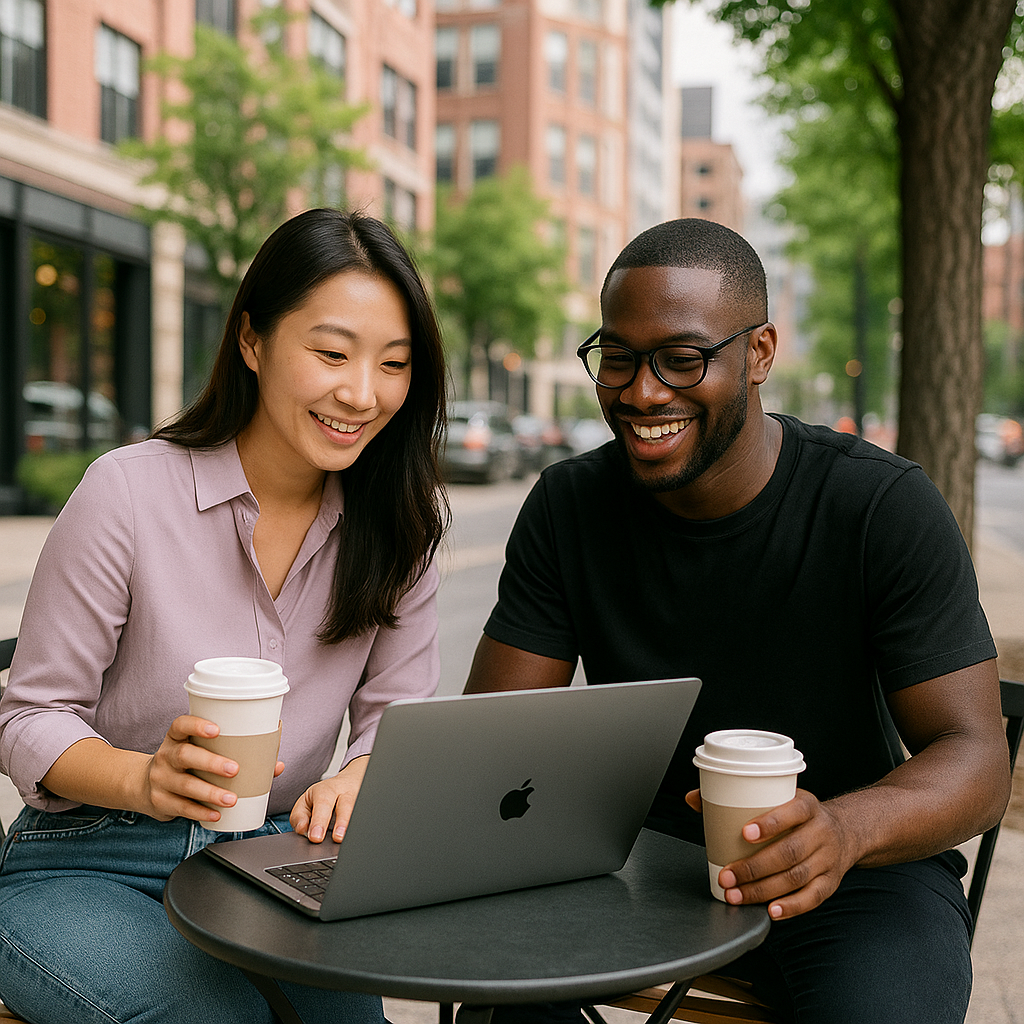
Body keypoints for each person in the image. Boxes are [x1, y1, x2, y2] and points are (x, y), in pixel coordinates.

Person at [463, 218, 1011, 1024]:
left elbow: (976, 758)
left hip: (855, 865)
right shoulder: (569, 504)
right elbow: (491, 742)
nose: (643, 392)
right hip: (634, 862)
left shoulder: (880, 505)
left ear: (759, 354)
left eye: (682, 359)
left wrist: (845, 828)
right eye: (617, 358)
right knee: (490, 1002)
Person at [0, 209, 450, 1024]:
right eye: (331, 353)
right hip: (86, 859)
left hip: (271, 863)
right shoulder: (128, 493)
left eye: (394, 364)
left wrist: (359, 773)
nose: (363, 393)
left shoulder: (400, 527)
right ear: (252, 341)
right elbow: (31, 716)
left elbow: (400, 716)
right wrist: (146, 778)